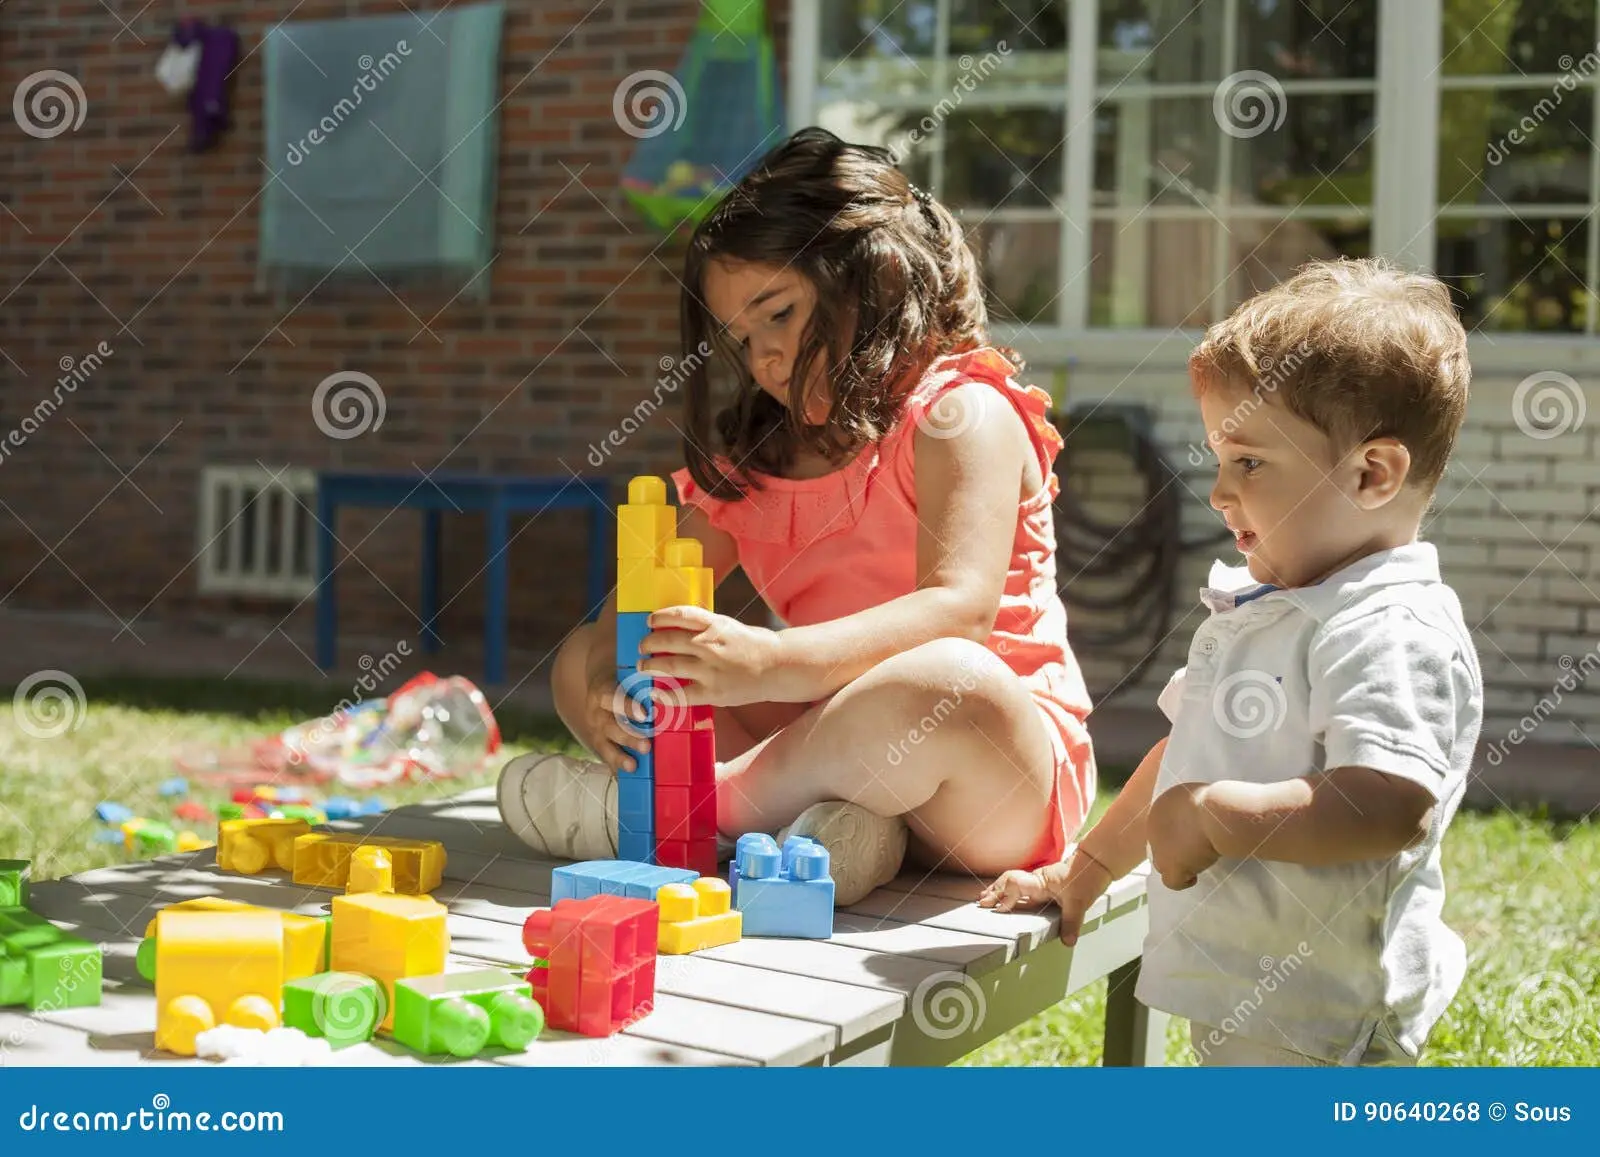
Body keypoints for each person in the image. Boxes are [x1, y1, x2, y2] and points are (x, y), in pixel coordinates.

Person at [499, 127, 1095, 905]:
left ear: (871, 276)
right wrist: (606, 694)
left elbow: (962, 613)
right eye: (742, 339)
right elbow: (632, 626)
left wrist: (768, 664)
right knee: (585, 653)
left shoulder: (960, 413)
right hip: (836, 774)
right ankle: (818, 834)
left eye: (777, 314)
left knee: (947, 678)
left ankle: (681, 817)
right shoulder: (758, 463)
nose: (764, 360)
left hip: (991, 777)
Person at [981, 257, 1483, 1066]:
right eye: (1218, 459)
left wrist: (1217, 813)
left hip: (1329, 1015)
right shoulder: (1275, 605)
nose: (1218, 492)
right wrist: (1092, 862)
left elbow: (1388, 801)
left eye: (1248, 462)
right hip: (1257, 989)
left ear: (1371, 473)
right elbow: (1187, 754)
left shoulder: (1387, 624)